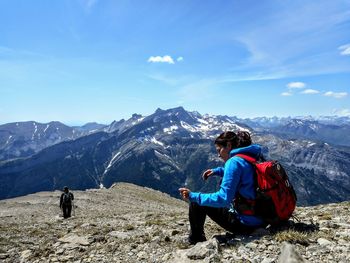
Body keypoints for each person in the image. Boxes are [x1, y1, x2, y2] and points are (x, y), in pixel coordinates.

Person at [179, 131, 266, 244]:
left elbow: (223, 199)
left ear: (229, 145)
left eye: (219, 150)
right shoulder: (252, 156)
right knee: (199, 198)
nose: (219, 155)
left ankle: (196, 240)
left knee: (196, 202)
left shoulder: (233, 162)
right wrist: (217, 171)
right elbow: (245, 174)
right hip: (263, 219)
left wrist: (192, 195)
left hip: (245, 224)